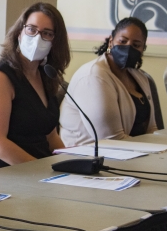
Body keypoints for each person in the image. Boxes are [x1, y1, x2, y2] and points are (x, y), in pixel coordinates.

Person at [0, 2, 71, 167]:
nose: (37, 37)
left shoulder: (46, 75)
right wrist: (40, 170)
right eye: (31, 29)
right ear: (19, 33)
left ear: (55, 41)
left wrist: (70, 163)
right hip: (11, 173)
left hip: (43, 171)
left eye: (47, 33)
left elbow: (51, 137)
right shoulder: (0, 77)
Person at [59, 17, 157, 146]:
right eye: (123, 41)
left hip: (131, 153)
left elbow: (151, 130)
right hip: (88, 157)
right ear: (111, 41)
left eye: (136, 45)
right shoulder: (93, 76)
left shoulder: (140, 77)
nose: (128, 48)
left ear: (142, 49)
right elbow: (111, 141)